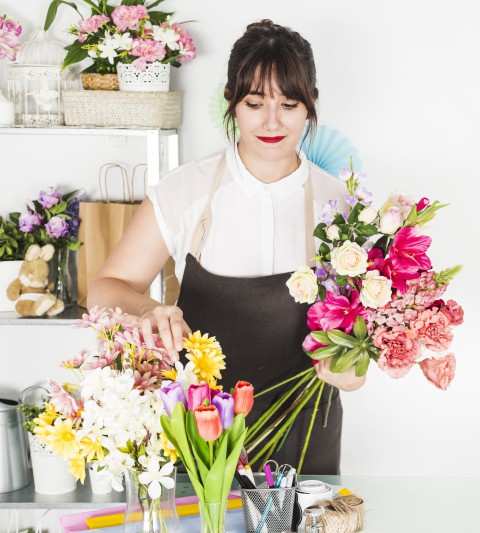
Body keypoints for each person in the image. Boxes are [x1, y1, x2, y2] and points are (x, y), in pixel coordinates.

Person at [88, 19, 365, 475]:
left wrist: (352, 370)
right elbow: (105, 288)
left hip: (304, 431)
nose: (271, 121)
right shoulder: (184, 190)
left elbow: (357, 352)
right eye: (254, 103)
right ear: (231, 103)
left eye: (289, 104)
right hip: (200, 430)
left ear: (311, 104)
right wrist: (146, 311)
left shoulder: (342, 206)